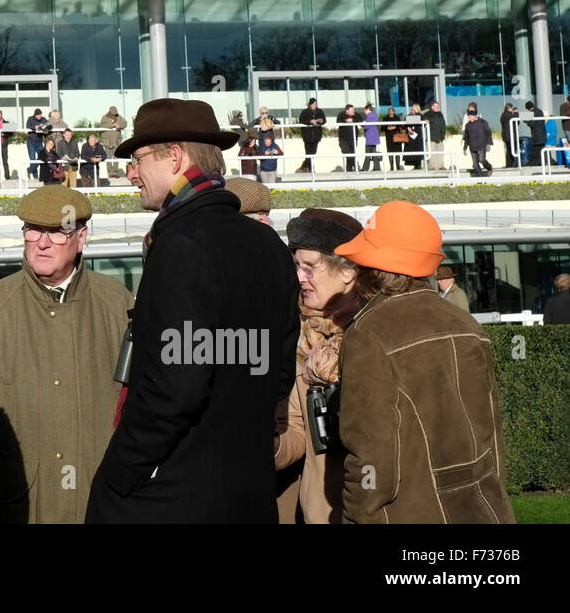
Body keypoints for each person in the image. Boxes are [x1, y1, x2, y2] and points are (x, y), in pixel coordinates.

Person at [87, 98, 299, 523]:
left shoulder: (182, 245)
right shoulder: (269, 246)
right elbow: (278, 373)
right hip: (250, 489)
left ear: (176, 157)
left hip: (174, 496)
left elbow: (175, 387)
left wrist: (121, 470)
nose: (131, 173)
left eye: (138, 159)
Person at [334, 201, 515, 524]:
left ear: (370, 266)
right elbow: (494, 446)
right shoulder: (467, 325)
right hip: (484, 513)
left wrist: (355, 517)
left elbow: (371, 462)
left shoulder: (368, 335)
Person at [273, 208, 364, 524]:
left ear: (348, 272)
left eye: (310, 267)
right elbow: (298, 430)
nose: (299, 277)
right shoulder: (298, 334)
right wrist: (267, 442)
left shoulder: (377, 331)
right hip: (321, 515)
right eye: (297, 266)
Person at [463, 106, 494, 176]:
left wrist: (488, 144)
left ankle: (489, 167)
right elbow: (466, 138)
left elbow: (488, 132)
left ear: (475, 116)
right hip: (472, 146)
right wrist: (465, 148)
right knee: (475, 164)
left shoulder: (483, 122)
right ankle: (481, 177)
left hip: (482, 144)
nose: (469, 118)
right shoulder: (467, 125)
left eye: (470, 116)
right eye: (468, 117)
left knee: (481, 159)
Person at [297, 98, 326, 174]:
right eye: (313, 104)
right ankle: (310, 169)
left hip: (316, 135)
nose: (315, 106)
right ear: (310, 105)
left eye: (315, 104)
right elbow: (301, 120)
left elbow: (324, 120)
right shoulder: (305, 112)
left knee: (313, 152)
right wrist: (310, 121)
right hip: (307, 136)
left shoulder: (320, 111)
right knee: (308, 153)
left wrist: (320, 121)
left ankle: (304, 166)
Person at [99, 105, 126, 180]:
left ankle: (116, 172)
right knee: (108, 158)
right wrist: (112, 125)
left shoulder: (119, 117)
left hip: (117, 141)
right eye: (113, 114)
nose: (114, 115)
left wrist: (119, 126)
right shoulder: (104, 117)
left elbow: (125, 123)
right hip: (108, 142)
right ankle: (110, 173)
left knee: (116, 157)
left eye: (115, 113)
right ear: (110, 112)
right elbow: (101, 126)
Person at [422, 99, 446, 170]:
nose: (437, 107)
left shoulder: (440, 114)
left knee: (440, 153)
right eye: (436, 106)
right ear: (432, 106)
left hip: (440, 138)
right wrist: (425, 120)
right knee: (431, 153)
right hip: (431, 138)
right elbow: (423, 118)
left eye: (438, 106)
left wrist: (443, 134)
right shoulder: (427, 114)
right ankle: (432, 167)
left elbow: (443, 124)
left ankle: (440, 166)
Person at [336, 104, 360, 173]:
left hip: (353, 138)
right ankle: (355, 165)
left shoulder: (355, 114)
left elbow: (360, 119)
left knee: (352, 153)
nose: (354, 111)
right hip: (343, 138)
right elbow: (338, 122)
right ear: (347, 110)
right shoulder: (341, 114)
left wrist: (352, 119)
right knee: (346, 151)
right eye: (352, 110)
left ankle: (349, 170)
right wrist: (346, 121)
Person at [360, 104, 382, 171]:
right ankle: (377, 167)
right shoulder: (374, 116)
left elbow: (366, 126)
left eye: (365, 110)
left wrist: (362, 124)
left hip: (370, 137)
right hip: (374, 137)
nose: (364, 111)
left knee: (368, 153)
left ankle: (365, 168)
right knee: (374, 153)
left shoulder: (369, 116)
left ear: (368, 109)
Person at [499, 102, 519, 167]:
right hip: (510, 136)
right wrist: (516, 112)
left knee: (509, 150)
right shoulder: (508, 115)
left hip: (507, 136)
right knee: (511, 150)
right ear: (509, 108)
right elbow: (516, 120)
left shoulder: (503, 115)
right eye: (511, 108)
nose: (512, 109)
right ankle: (511, 164)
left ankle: (509, 164)